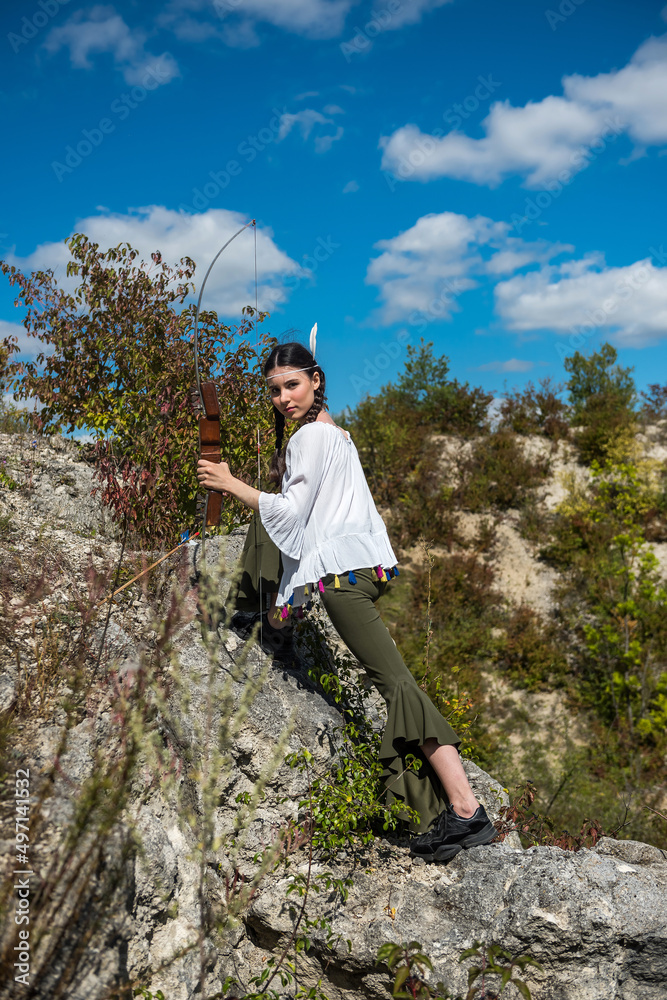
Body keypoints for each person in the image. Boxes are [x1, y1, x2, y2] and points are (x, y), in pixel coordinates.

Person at [196, 341, 497, 863]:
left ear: (316, 380)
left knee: (398, 685)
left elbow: (290, 516)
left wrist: (228, 482)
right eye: (275, 390)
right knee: (394, 683)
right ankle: (274, 622)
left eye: (293, 385)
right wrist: (281, 612)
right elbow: (309, 528)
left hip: (342, 579)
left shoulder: (312, 437)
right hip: (360, 571)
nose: (283, 398)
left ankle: (466, 808)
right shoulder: (336, 434)